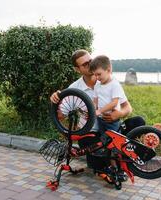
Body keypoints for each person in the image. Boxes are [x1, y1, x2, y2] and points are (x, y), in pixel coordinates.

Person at [50, 49, 132, 181]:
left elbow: (128, 107)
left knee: (137, 122)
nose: (89, 65)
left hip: (111, 124)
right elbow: (60, 115)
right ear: (77, 69)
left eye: (90, 61)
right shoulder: (74, 88)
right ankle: (108, 167)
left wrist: (119, 114)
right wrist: (56, 98)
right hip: (91, 133)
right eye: (84, 64)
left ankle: (126, 161)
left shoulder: (108, 79)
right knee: (96, 158)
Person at [89, 55, 126, 171]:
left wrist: (100, 110)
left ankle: (117, 167)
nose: (97, 77)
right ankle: (111, 166)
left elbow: (114, 102)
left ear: (108, 70)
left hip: (112, 120)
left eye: (99, 74)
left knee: (114, 145)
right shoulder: (97, 85)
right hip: (101, 120)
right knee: (105, 143)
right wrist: (93, 109)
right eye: (95, 74)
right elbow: (95, 100)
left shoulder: (114, 84)